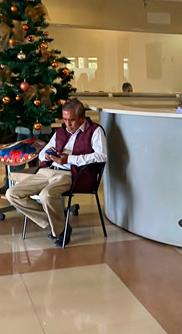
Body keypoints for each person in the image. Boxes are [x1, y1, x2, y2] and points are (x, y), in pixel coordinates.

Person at [6, 98, 107, 247]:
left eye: (71, 120)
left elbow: (102, 155)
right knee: (12, 194)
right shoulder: (61, 132)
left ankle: (59, 230)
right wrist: (46, 155)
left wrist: (69, 159)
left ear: (82, 118)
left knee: (46, 195)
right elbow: (42, 154)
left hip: (71, 174)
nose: (67, 124)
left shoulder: (95, 130)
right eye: (65, 119)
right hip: (47, 171)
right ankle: (59, 223)